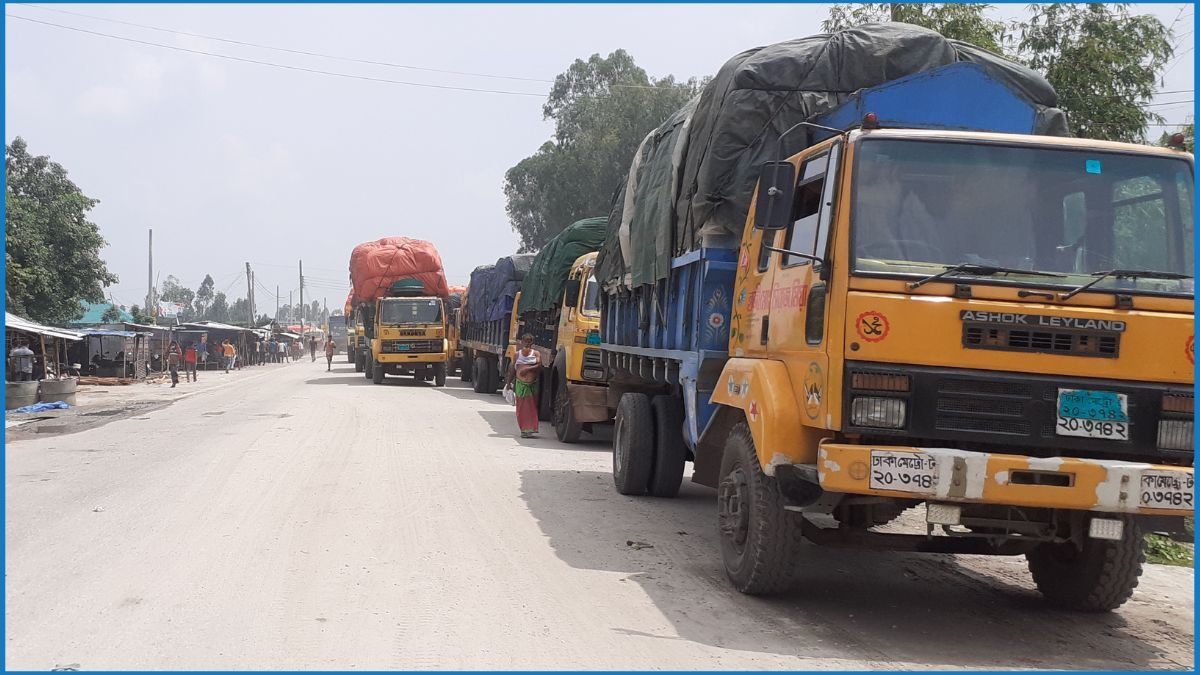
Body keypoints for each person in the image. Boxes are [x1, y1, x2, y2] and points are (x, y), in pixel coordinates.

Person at [504, 333, 542, 438]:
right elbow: (512, 369)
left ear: (532, 342)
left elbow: (539, 366)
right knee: (522, 408)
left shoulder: (536, 353)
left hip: (532, 385)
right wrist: (508, 384)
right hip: (521, 384)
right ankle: (524, 430)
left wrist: (528, 369)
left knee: (532, 407)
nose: (527, 343)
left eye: (529, 341)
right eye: (525, 340)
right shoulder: (517, 354)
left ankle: (531, 429)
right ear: (522, 342)